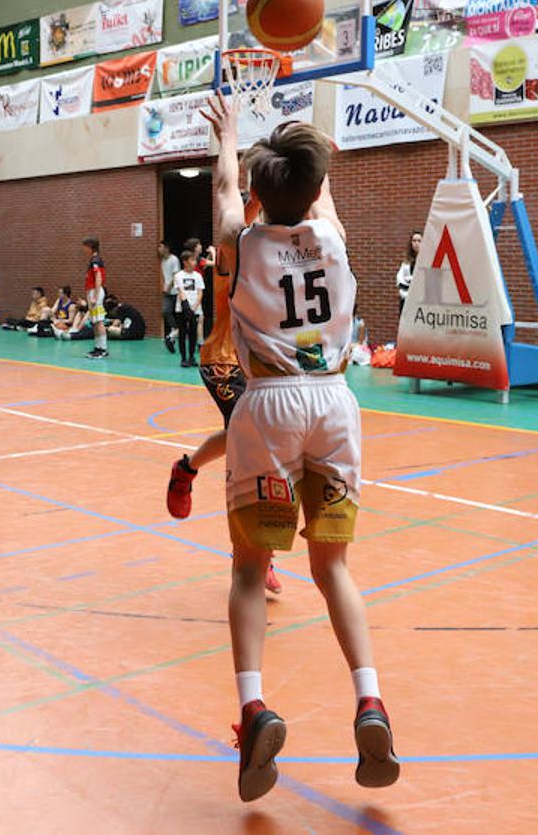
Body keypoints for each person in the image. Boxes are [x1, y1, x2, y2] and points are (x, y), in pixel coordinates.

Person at [197, 93, 398, 802]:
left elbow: (227, 191)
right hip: (337, 405)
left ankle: (255, 709)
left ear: (257, 196)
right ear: (317, 190)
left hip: (270, 406)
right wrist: (313, 144)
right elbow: (315, 190)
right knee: (332, 565)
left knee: (250, 569)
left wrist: (228, 140)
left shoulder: (242, 241)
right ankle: (370, 700)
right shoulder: (335, 239)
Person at [165, 188, 283, 596]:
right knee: (256, 448)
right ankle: (255, 554)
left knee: (244, 439)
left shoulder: (280, 261)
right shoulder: (229, 260)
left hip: (260, 367)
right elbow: (236, 227)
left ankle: (186, 469)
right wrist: (259, 193)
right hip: (222, 363)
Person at [171, 250, 203, 367]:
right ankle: (183, 358)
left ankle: (191, 357)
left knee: (193, 333)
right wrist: (186, 307)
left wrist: (194, 307)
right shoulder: (178, 276)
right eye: (192, 260)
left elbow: (200, 293)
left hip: (195, 309)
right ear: (185, 262)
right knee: (183, 332)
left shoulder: (198, 276)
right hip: (182, 309)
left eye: (195, 260)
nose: (195, 262)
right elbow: (181, 291)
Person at [81, 237, 108, 359]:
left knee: (99, 321)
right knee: (95, 321)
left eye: (85, 246)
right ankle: (97, 347)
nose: (83, 249)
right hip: (91, 293)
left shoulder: (96, 260)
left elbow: (98, 278)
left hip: (95, 293)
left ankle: (103, 349)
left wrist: (95, 296)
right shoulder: (93, 260)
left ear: (90, 247)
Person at [158, 242, 179, 353]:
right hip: (167, 292)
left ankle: (173, 334)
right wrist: (163, 286)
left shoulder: (174, 259)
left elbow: (175, 275)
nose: (158, 249)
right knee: (166, 312)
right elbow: (163, 276)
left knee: (178, 314)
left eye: (160, 247)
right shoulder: (163, 261)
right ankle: (174, 330)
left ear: (166, 248)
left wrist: (168, 287)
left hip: (175, 292)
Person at [396, 229, 420, 314]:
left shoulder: (427, 261)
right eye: (414, 241)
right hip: (405, 299)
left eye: (419, 241)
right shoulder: (406, 261)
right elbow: (400, 278)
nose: (416, 243)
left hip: (419, 301)